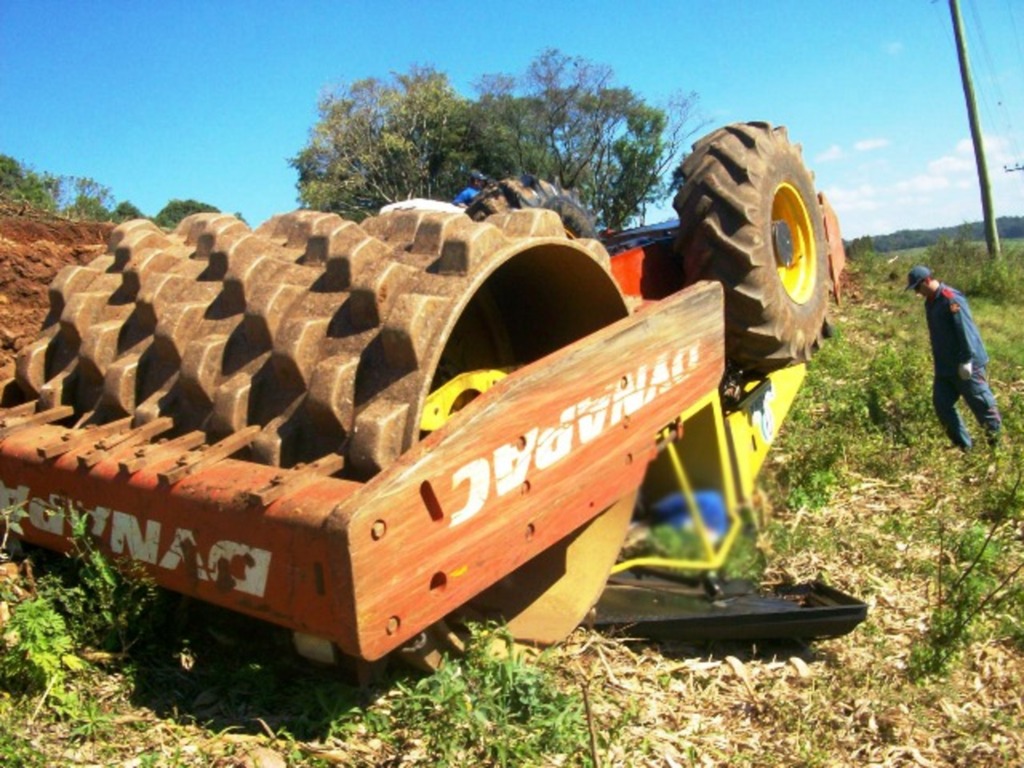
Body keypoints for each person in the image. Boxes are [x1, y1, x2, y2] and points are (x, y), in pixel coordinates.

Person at [905, 264, 1002, 450]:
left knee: (982, 406)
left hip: (966, 365)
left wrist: (966, 360)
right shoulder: (930, 302)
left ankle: (997, 449)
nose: (917, 292)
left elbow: (965, 331)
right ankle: (964, 448)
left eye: (918, 287)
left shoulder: (951, 299)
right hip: (945, 367)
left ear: (927, 281)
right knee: (942, 405)